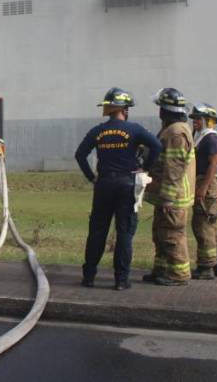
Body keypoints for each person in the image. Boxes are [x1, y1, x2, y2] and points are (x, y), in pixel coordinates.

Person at [75, 87, 162, 291]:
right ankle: (121, 280)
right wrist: (146, 167)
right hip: (126, 185)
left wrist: (91, 177)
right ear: (125, 109)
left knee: (97, 231)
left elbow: (80, 155)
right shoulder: (135, 129)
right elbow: (157, 146)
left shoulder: (97, 131)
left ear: (108, 109)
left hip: (103, 185)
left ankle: (89, 277)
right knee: (124, 233)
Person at [143, 87, 196, 286]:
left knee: (173, 235)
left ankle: (179, 274)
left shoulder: (176, 132)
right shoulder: (173, 129)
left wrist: (167, 197)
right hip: (168, 195)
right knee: (161, 233)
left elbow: (174, 168)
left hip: (174, 197)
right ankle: (161, 269)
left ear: (165, 110)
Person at [189, 103, 217, 279]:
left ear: (207, 121)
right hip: (204, 184)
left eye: (197, 119)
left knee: (202, 226)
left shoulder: (211, 138)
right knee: (211, 227)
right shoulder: (201, 137)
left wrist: (202, 188)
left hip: (206, 186)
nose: (194, 122)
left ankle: (205, 267)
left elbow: (214, 164)